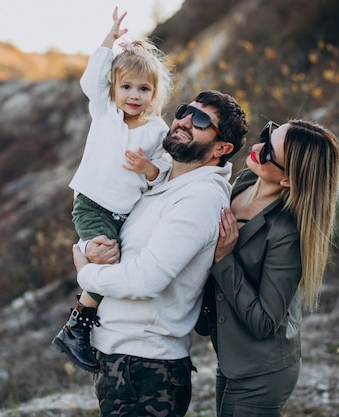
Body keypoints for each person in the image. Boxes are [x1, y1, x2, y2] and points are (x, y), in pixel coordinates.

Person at [72, 90, 249, 416]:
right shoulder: (159, 180)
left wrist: (86, 273)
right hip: (121, 359)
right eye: (184, 111)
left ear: (222, 149)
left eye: (200, 121)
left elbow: (147, 279)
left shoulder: (200, 198)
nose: (183, 121)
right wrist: (88, 248)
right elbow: (114, 236)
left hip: (147, 367)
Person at [52, 7, 174, 373]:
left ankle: (86, 279)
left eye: (143, 89)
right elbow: (91, 78)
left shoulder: (157, 131)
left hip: (127, 213)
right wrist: (110, 36)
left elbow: (163, 174)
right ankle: (76, 327)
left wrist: (147, 168)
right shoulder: (106, 112)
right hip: (90, 204)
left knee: (122, 264)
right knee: (109, 261)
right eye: (126, 87)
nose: (134, 95)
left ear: (154, 93)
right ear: (114, 88)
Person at [200, 119, 339, 416]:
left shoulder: (286, 233)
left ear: (288, 180)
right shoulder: (245, 182)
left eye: (267, 152)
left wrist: (224, 260)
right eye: (267, 134)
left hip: (262, 372)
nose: (255, 147)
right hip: (233, 357)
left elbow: (265, 321)